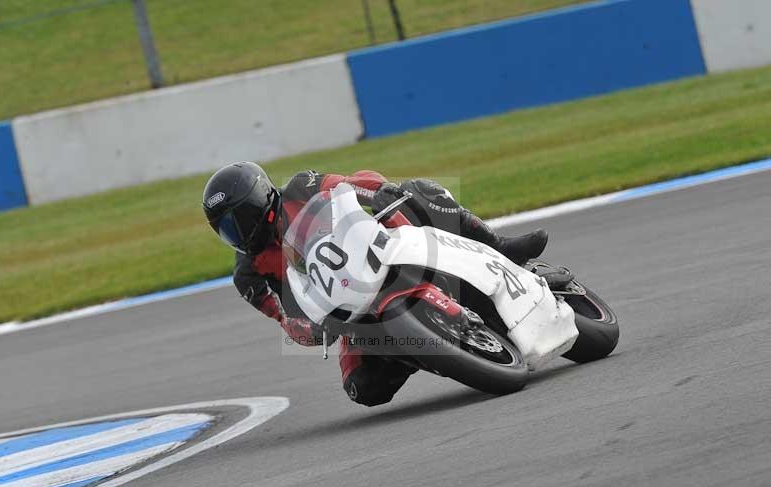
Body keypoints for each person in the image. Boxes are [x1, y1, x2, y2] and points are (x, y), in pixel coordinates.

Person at [202, 162, 548, 407]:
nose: (238, 234)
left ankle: (498, 246)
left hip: (377, 251)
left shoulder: (299, 188)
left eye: (240, 220)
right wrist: (307, 329)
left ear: (261, 199)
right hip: (344, 311)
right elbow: (283, 318)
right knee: (363, 389)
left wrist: (381, 192)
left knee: (421, 190)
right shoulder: (248, 275)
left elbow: (347, 185)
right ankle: (423, 348)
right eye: (226, 229)